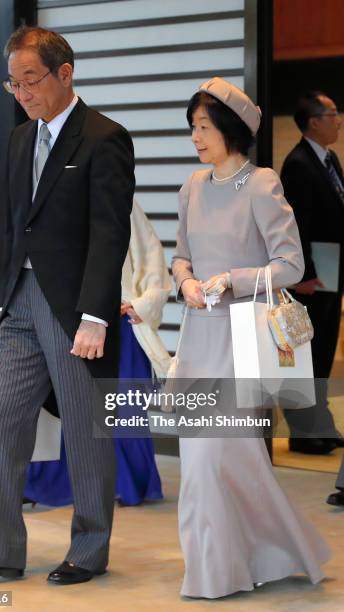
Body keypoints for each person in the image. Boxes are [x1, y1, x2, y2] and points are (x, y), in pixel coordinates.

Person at [0, 26, 135, 585]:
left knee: (84, 426)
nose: (23, 93)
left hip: (74, 309)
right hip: (21, 304)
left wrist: (96, 314)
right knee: (1, 421)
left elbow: (108, 233)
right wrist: (2, 305)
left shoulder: (104, 138)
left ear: (64, 73)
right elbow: (11, 230)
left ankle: (89, 550)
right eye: (14, 83)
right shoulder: (20, 139)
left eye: (32, 80)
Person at [171, 77, 330, 599]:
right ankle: (229, 564)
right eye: (192, 127)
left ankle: (231, 567)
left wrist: (232, 280)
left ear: (229, 129)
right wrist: (187, 281)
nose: (195, 137)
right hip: (198, 338)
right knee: (210, 462)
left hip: (241, 340)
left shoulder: (262, 183)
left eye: (203, 127)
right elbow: (180, 256)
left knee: (220, 459)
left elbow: (291, 264)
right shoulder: (192, 187)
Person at [24, 200, 171, 507]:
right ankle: (57, 484)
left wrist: (143, 304)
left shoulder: (122, 201)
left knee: (122, 408)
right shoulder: (51, 199)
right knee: (68, 405)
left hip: (118, 321)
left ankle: (126, 484)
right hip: (65, 317)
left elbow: (151, 256)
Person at [280, 91, 344, 455]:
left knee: (323, 349)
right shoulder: (298, 163)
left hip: (331, 263)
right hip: (311, 271)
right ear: (314, 121)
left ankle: (321, 424)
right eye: (333, 114)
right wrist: (298, 274)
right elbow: (296, 225)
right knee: (308, 352)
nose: (338, 120)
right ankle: (304, 432)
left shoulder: (328, 157)